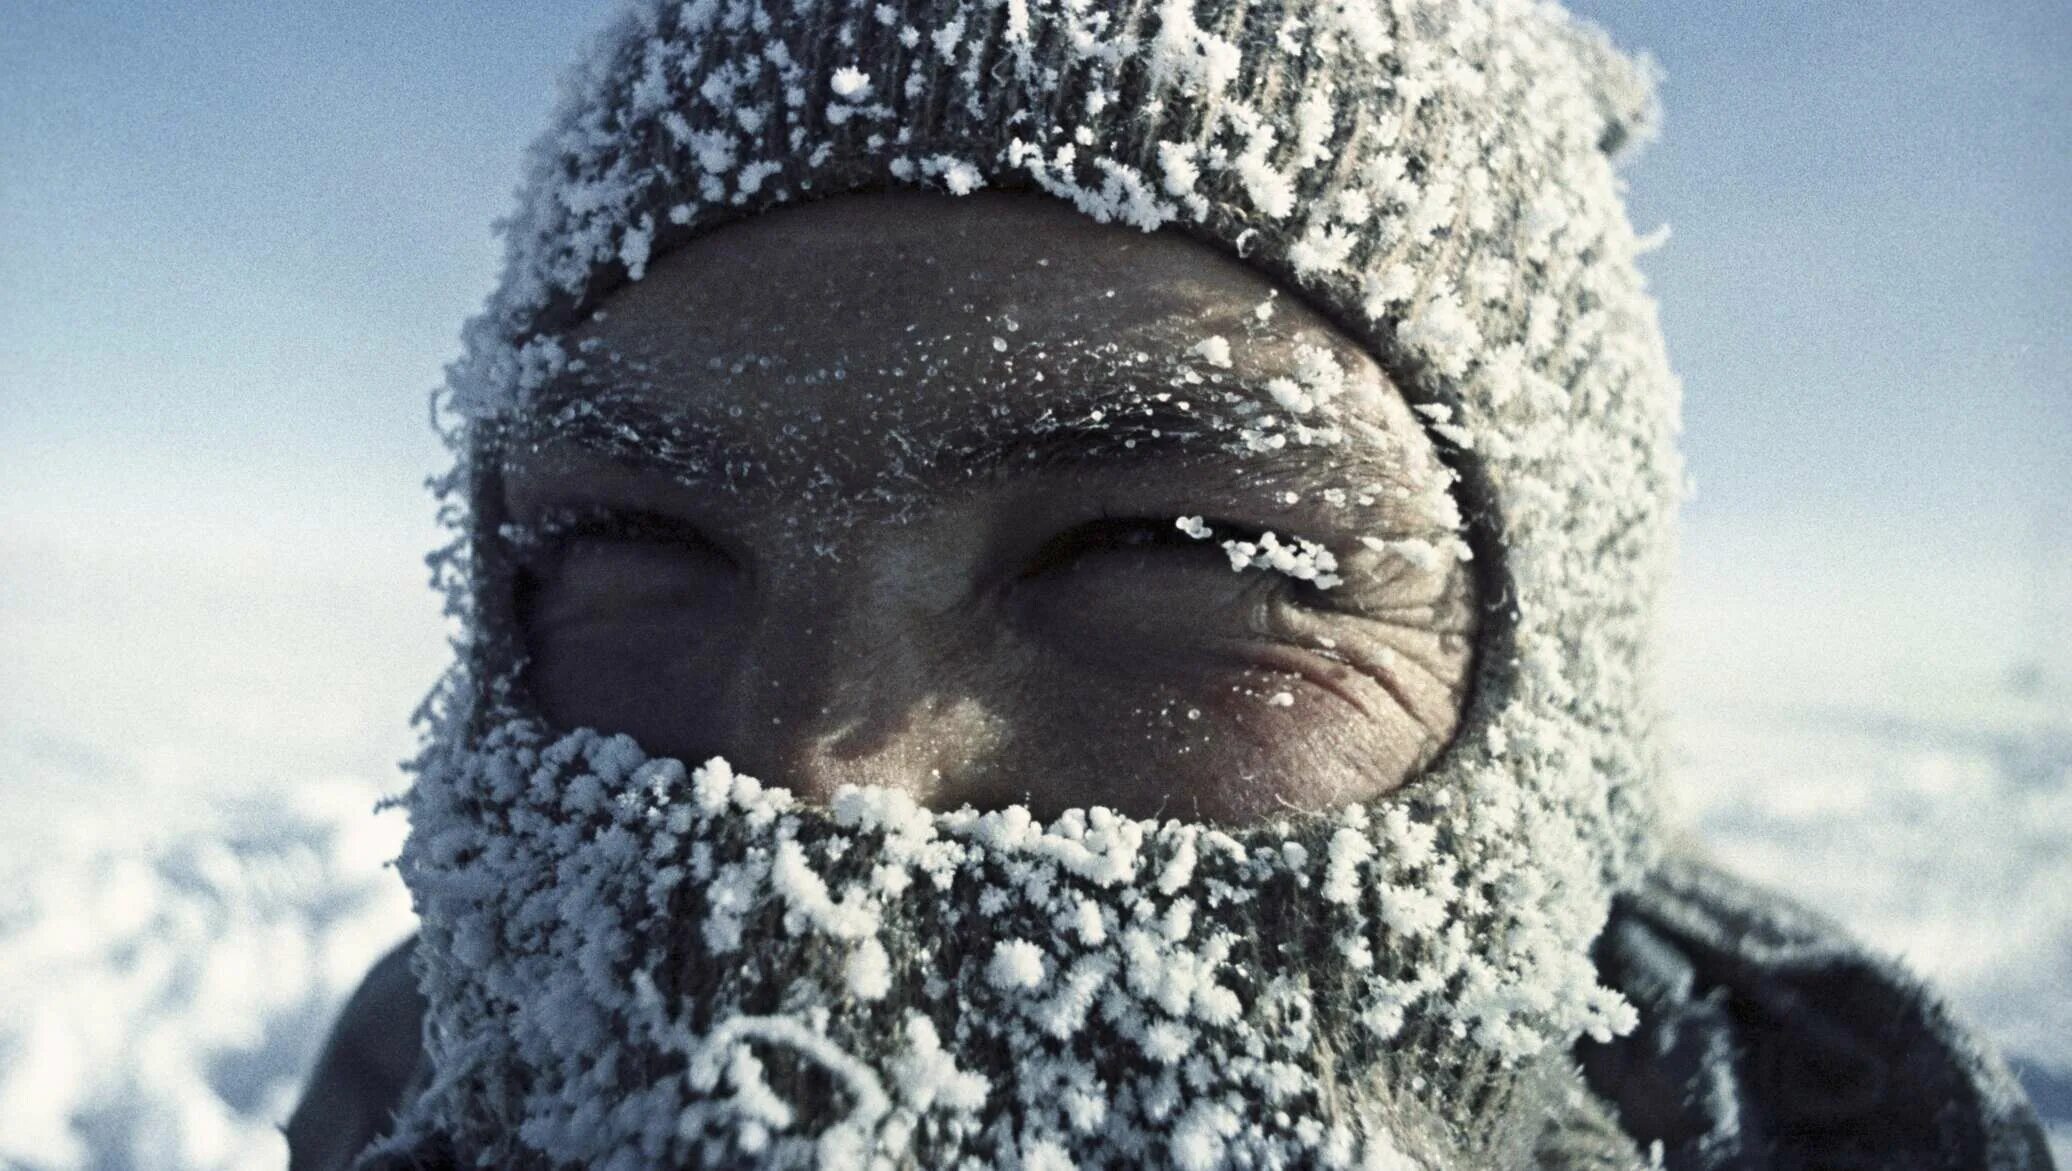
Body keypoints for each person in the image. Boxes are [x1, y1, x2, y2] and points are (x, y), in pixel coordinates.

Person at [289, 0, 2053, 1167]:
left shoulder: (1858, 1122)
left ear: (1542, 699)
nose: (807, 773)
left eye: (1174, 554)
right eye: (635, 546)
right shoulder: (408, 1066)